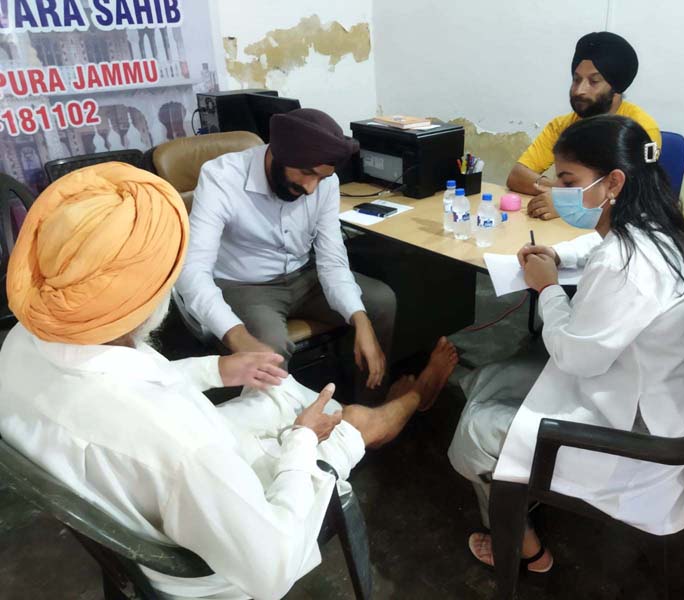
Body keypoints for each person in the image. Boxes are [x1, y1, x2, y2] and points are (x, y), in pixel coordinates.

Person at [0, 163, 458, 600]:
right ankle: (416, 395)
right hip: (211, 562)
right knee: (346, 420)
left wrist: (216, 369)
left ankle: (362, 410)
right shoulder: (180, 445)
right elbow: (271, 572)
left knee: (275, 387)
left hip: (138, 492)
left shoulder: (21, 344)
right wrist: (300, 441)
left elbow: (117, 383)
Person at [450, 115, 684, 573]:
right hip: (652, 399)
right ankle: (513, 487)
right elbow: (596, 247)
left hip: (641, 443)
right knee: (493, 377)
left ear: (613, 182)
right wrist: (557, 256)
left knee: (477, 425)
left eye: (567, 179)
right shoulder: (653, 225)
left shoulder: (627, 265)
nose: (553, 187)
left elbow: (574, 356)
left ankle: (522, 545)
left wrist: (548, 288)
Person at [175, 108, 395, 393]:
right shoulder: (222, 178)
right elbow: (191, 271)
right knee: (268, 353)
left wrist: (359, 318)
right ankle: (286, 433)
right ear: (278, 153)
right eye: (306, 173)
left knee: (379, 303)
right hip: (245, 285)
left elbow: (332, 259)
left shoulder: (324, 184)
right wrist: (237, 336)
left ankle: (366, 419)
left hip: (304, 276)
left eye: (321, 177)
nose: (310, 188)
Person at [507, 32, 661, 221]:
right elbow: (517, 176)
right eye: (576, 79)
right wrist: (565, 195)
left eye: (594, 81)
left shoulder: (639, 128)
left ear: (616, 88)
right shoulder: (563, 125)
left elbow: (636, 200)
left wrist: (571, 204)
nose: (580, 90)